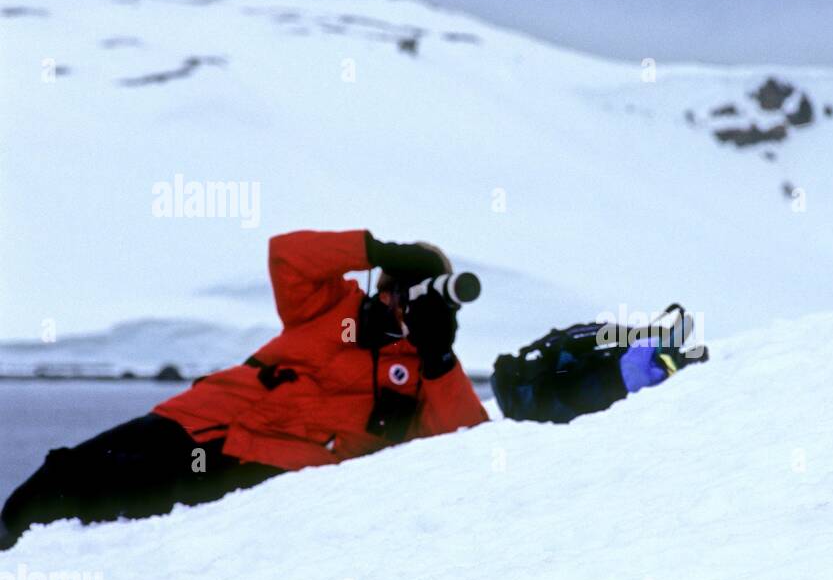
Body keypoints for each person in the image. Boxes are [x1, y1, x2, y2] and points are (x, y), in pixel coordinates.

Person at [1, 230, 487, 548]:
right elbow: (288, 255)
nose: (400, 303)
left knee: (110, 494)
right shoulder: (331, 310)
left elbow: (468, 448)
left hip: (255, 463)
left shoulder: (429, 372)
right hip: (195, 418)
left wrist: (439, 355)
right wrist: (376, 249)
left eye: (416, 296)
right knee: (64, 471)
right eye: (398, 287)